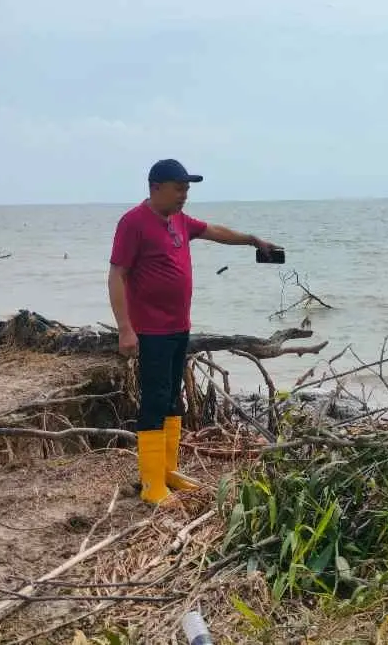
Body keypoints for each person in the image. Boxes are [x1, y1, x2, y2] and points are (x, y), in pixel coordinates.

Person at [108, 159, 280, 505]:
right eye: (179, 188)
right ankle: (151, 484)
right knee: (155, 400)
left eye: (187, 189)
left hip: (179, 326)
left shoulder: (179, 221)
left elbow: (215, 231)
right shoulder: (133, 223)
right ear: (156, 187)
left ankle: (168, 471)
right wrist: (125, 329)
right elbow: (117, 275)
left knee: (174, 399)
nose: (184, 195)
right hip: (150, 330)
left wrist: (252, 240)